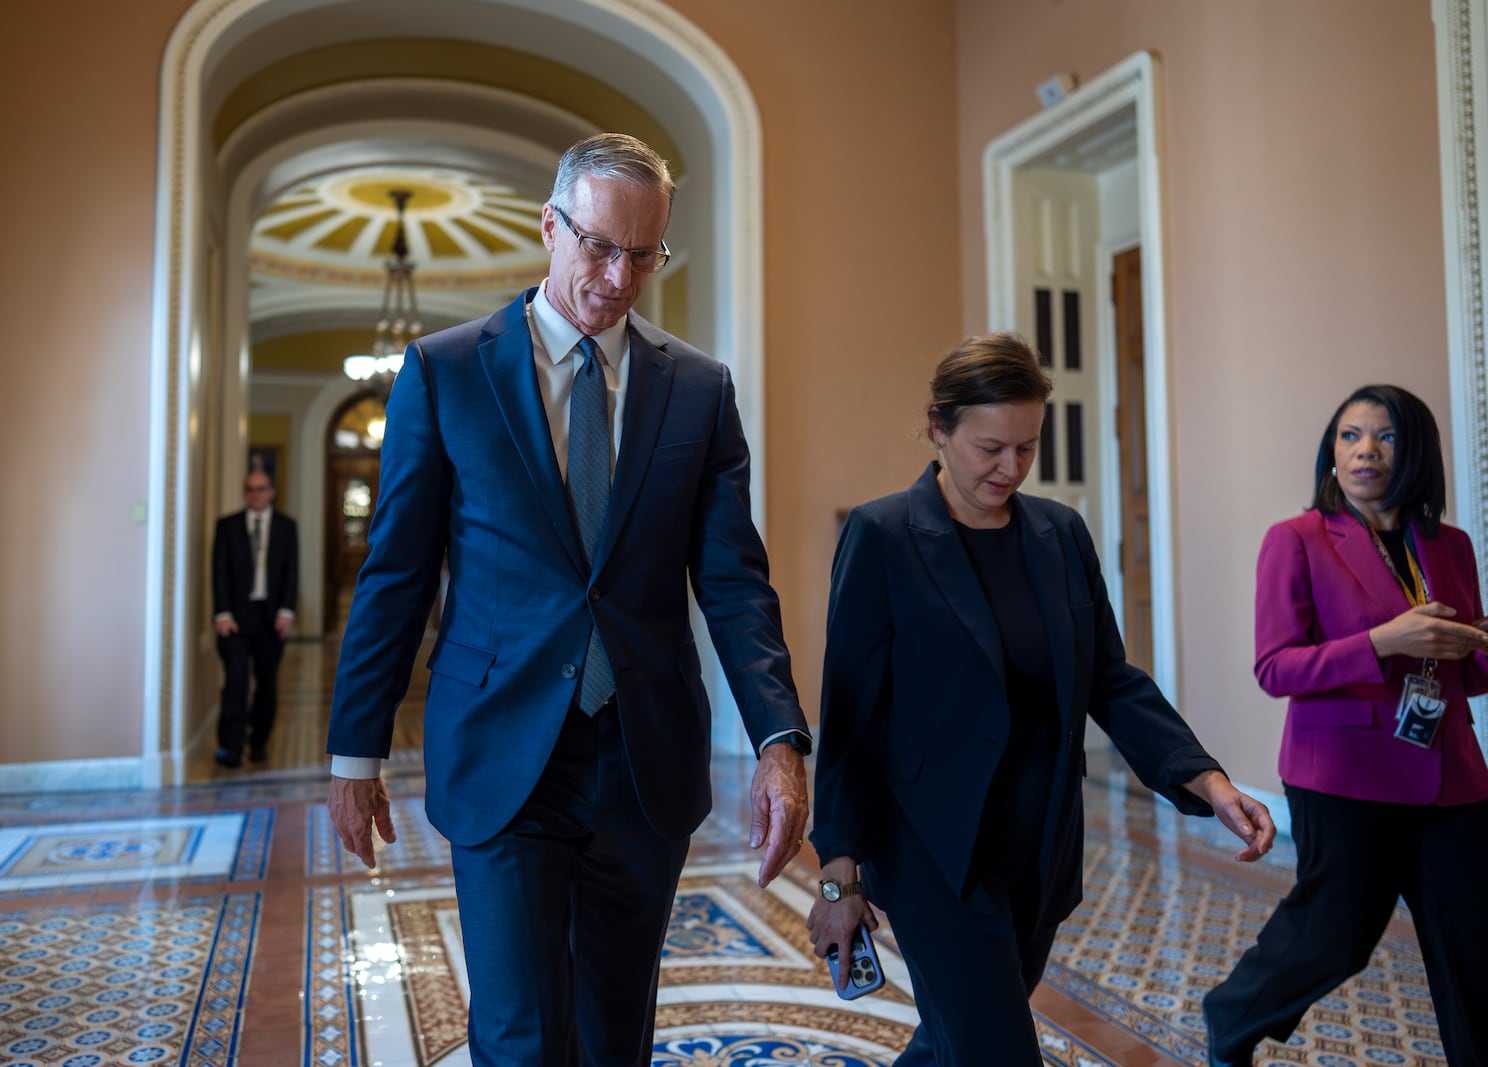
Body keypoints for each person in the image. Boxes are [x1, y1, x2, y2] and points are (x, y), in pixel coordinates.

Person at [323, 133, 811, 1066]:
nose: (620, 277)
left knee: (614, 1028)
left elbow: (733, 579)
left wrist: (779, 739)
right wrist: (357, 749)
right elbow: (398, 573)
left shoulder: (699, 391)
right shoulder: (449, 370)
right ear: (549, 226)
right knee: (518, 1033)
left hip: (643, 756)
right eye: (599, 246)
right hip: (504, 751)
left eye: (644, 255)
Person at [806, 331, 1276, 1065]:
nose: (1011, 467)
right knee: (998, 1049)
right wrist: (839, 876)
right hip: (934, 852)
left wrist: (1208, 781)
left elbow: (1111, 681)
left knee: (952, 1041)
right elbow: (852, 714)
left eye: (1026, 447)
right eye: (990, 446)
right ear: (939, 427)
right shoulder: (883, 536)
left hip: (1039, 845)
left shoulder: (1061, 535)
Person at [1202, 384, 1488, 1067]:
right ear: (1331, 452)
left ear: (1414, 449)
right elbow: (1276, 667)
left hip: (1452, 773)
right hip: (1345, 775)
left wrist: (1473, 644)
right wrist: (1384, 641)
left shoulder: (1450, 543)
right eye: (1350, 435)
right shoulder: (1296, 539)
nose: (1365, 450)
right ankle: (1232, 1013)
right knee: (1336, 937)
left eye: (1384, 436)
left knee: (1475, 941)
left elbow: (1470, 672)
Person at [211, 468, 298, 767]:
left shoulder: (287, 527)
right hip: (235, 616)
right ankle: (230, 746)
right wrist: (222, 613)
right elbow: (219, 572)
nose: (255, 494)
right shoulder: (228, 526)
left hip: (270, 617)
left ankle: (259, 741)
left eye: (261, 488)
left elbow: (291, 572)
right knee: (235, 681)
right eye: (250, 489)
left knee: (266, 682)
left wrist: (287, 611)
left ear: (271, 491)